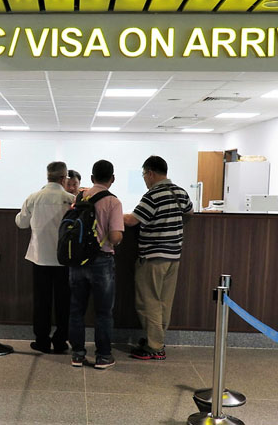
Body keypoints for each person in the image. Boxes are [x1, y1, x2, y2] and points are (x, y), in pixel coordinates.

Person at [124, 155, 193, 360]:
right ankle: (158, 339)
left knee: (149, 302)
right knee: (164, 302)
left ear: (151, 173)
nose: (145, 178)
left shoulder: (152, 195)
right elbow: (190, 212)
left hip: (153, 257)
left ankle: (154, 347)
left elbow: (131, 221)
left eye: (144, 174)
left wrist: (112, 213)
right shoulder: (180, 191)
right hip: (174, 256)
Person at [68, 160, 124, 370]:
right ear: (112, 179)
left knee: (76, 309)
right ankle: (103, 356)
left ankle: (77, 355)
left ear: (91, 178)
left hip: (78, 260)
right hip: (102, 261)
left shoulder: (80, 196)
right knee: (103, 311)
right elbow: (115, 236)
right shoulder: (113, 202)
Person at [16, 161, 75, 354]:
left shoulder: (34, 197)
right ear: (63, 178)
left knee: (42, 301)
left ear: (47, 176)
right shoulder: (70, 198)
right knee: (63, 301)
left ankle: (41, 340)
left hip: (39, 258)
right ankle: (60, 341)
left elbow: (21, 223)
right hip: (64, 259)